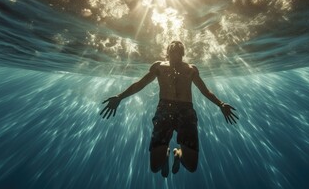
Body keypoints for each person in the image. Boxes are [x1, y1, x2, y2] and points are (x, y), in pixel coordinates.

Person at [100, 41, 238, 177]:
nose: (175, 54)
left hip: (186, 111)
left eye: (178, 51)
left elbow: (205, 91)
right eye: (172, 51)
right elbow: (141, 84)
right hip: (164, 109)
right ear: (168, 52)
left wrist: (221, 104)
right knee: (155, 167)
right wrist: (119, 96)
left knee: (191, 166)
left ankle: (178, 154)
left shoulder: (191, 69)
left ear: (183, 53)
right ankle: (165, 155)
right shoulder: (159, 66)